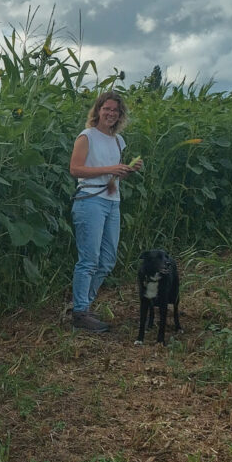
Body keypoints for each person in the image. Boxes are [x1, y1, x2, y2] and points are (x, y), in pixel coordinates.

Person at [68, 91, 142, 332]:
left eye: (115, 111)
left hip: (112, 201)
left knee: (108, 260)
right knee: (89, 260)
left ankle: (83, 306)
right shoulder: (86, 137)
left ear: (120, 115)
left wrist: (127, 170)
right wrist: (111, 168)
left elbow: (111, 175)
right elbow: (75, 169)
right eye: (106, 109)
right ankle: (80, 312)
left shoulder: (119, 141)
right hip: (90, 201)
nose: (111, 114)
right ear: (98, 110)